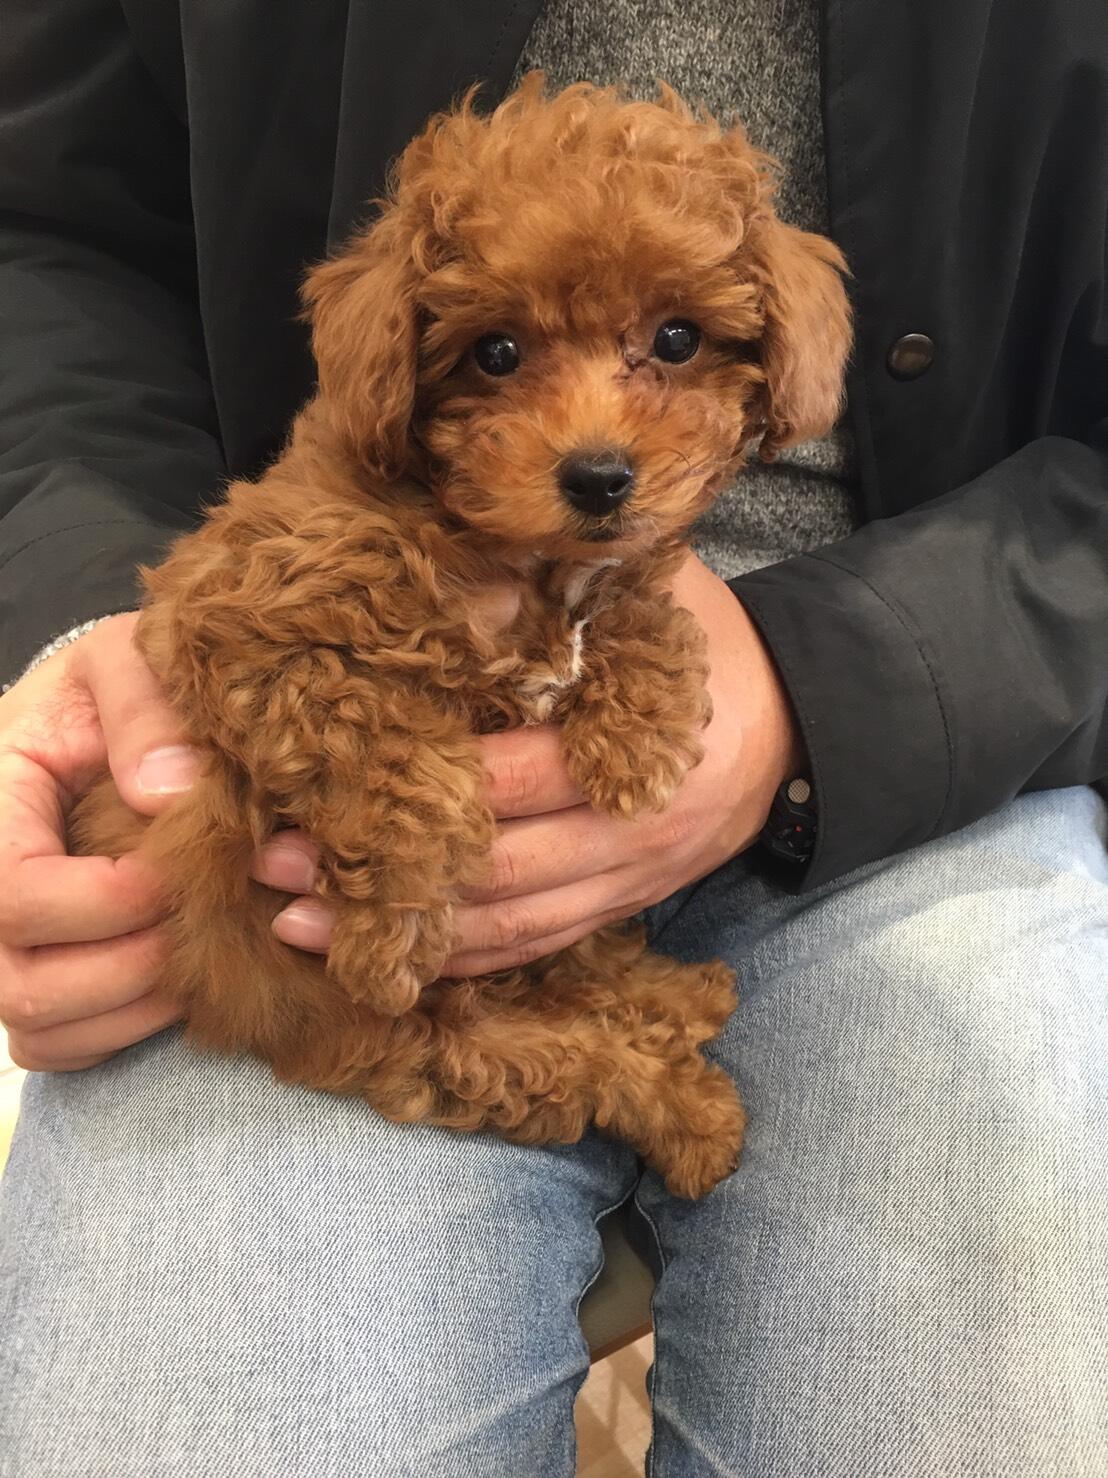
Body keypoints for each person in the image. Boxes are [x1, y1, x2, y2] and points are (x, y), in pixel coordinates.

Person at [1, 1, 1106, 1473]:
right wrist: (77, 610)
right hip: (317, 778)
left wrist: (849, 676)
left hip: (968, 706)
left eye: (672, 343)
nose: (596, 426)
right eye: (502, 350)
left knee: (995, 1412)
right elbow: (49, 225)